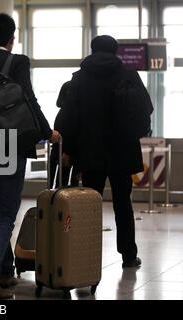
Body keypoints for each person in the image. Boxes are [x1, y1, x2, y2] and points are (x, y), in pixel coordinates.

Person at [0, 13, 61, 299]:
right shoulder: (17, 62)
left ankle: (5, 273)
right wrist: (46, 131)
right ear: (11, 38)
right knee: (6, 212)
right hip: (9, 144)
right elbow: (28, 100)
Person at [61, 35, 154, 269]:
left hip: (90, 153)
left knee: (89, 205)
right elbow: (147, 109)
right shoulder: (129, 75)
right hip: (122, 150)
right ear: (116, 51)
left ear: (92, 50)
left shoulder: (79, 78)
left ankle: (85, 256)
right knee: (123, 203)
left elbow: (70, 118)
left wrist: (69, 151)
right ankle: (129, 256)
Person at [49, 81, 79, 188]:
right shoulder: (69, 112)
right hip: (65, 153)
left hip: (59, 152)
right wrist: (68, 152)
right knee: (64, 185)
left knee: (59, 184)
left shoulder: (62, 111)